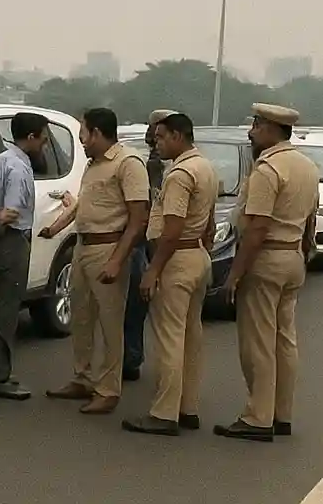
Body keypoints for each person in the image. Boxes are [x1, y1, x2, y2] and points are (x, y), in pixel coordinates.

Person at [213, 103, 320, 443]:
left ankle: (258, 417)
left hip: (267, 258)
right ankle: (281, 414)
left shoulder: (268, 169)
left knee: (257, 342)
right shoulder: (306, 167)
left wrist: (234, 275)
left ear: (273, 129)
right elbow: (310, 220)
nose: (251, 131)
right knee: (284, 339)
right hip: (292, 258)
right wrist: (305, 249)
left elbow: (257, 227)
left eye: (257, 125)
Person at [41, 107, 149, 415]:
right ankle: (83, 378)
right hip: (82, 249)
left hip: (108, 248)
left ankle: (108, 388)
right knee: (82, 317)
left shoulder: (128, 164)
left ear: (98, 133)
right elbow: (82, 205)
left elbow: (137, 219)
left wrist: (117, 260)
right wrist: (55, 228)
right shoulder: (93, 165)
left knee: (110, 322)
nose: (82, 142)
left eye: (84, 135)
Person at [122, 112, 219, 436]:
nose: (156, 142)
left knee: (170, 339)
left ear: (178, 136)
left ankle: (164, 413)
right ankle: (186, 406)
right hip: (197, 257)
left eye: (161, 137)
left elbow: (172, 227)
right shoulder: (204, 166)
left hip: (176, 258)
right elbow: (209, 222)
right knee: (191, 337)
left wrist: (153, 270)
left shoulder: (179, 174)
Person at [0, 111, 47, 400]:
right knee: (6, 310)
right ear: (30, 137)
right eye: (42, 138)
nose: (44, 144)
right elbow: (10, 213)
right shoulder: (18, 168)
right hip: (11, 240)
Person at [125, 107, 177, 380]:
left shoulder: (170, 166)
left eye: (157, 129)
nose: (152, 135)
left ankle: (133, 359)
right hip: (144, 239)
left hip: (155, 241)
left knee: (141, 304)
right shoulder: (146, 161)